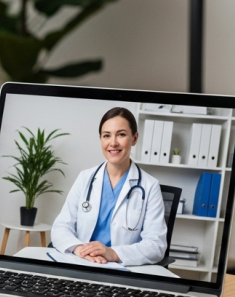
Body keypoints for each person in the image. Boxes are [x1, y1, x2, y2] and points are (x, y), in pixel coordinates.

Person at [50, 107, 168, 266]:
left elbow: (156, 245)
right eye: (107, 136)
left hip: (121, 268)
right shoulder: (85, 178)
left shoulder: (150, 186)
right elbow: (60, 227)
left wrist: (113, 253)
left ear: (134, 138)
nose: (113, 143)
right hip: (83, 262)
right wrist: (79, 249)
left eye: (121, 134)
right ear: (101, 139)